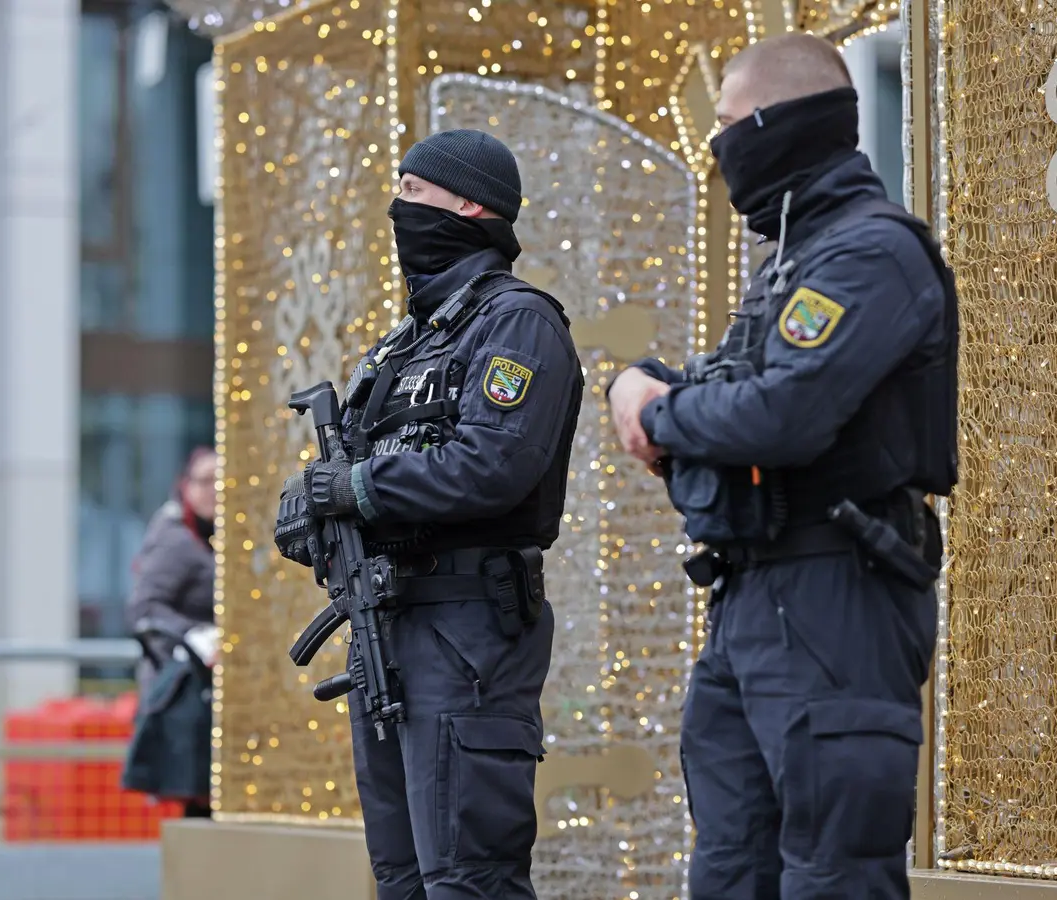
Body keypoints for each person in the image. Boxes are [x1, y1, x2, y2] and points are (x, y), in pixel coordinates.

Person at [607, 33, 960, 899]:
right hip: (754, 593)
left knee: (833, 874)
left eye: (727, 126)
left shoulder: (870, 253)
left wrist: (655, 411)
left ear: (776, 124)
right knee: (730, 870)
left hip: (837, 593)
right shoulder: (793, 263)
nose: (720, 151)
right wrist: (645, 383)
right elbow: (726, 386)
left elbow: (781, 415)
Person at [273, 128, 583, 899]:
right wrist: (311, 512)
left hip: (468, 632)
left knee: (468, 879)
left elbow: (493, 464)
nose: (397, 206)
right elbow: (343, 463)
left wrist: (359, 493)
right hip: (389, 622)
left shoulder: (519, 323)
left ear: (470, 203)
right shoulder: (402, 347)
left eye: (414, 190)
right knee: (403, 878)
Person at [125, 446, 219, 818]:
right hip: (188, 690)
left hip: (205, 691)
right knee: (198, 795)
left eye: (222, 481)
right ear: (185, 485)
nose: (214, 489)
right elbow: (144, 608)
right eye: (205, 480)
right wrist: (201, 635)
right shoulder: (177, 540)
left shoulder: (211, 535)